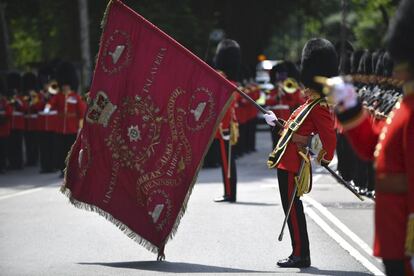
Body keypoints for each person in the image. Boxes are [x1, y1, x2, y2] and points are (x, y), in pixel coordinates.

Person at [329, 0, 414, 274]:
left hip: (406, 238)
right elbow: (373, 146)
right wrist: (348, 105)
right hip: (394, 236)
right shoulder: (407, 106)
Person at [264, 38, 337, 268]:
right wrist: (277, 123)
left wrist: (323, 157)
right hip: (286, 160)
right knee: (290, 208)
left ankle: (300, 254)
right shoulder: (308, 104)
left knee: (293, 210)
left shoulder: (319, 107)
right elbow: (293, 129)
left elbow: (329, 139)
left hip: (294, 162)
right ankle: (299, 251)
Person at [212, 39, 239, 203]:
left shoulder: (225, 83)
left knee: (227, 161)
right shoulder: (231, 82)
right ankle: (229, 191)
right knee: (227, 161)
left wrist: (221, 126)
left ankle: (230, 193)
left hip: (225, 127)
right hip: (228, 125)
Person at [48, 62, 86, 178]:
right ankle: (62, 169)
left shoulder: (75, 97)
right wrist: (47, 108)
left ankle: (71, 170)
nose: (65, 87)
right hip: (60, 128)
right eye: (63, 85)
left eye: (67, 85)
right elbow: (51, 105)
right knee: (60, 150)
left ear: (70, 85)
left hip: (72, 128)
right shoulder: (57, 96)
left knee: (71, 151)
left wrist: (80, 127)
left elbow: (82, 113)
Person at [265, 61, 305, 149]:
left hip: (287, 120)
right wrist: (277, 96)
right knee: (275, 143)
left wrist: (286, 91)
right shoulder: (273, 91)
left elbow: (295, 101)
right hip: (275, 121)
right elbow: (267, 102)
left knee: (287, 144)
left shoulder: (292, 90)